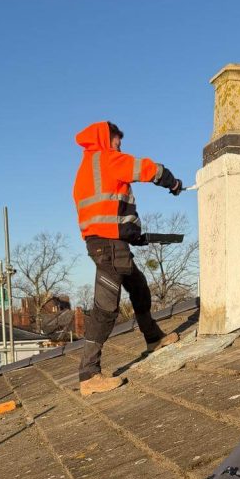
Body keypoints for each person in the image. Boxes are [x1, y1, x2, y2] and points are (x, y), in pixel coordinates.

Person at [73, 121, 184, 396]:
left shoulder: (89, 167)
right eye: (117, 141)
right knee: (106, 308)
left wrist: (131, 234)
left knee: (138, 285)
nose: (120, 146)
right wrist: (172, 181)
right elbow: (147, 169)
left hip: (108, 242)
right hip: (109, 245)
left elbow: (106, 209)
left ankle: (153, 338)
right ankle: (89, 375)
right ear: (105, 139)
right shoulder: (106, 159)